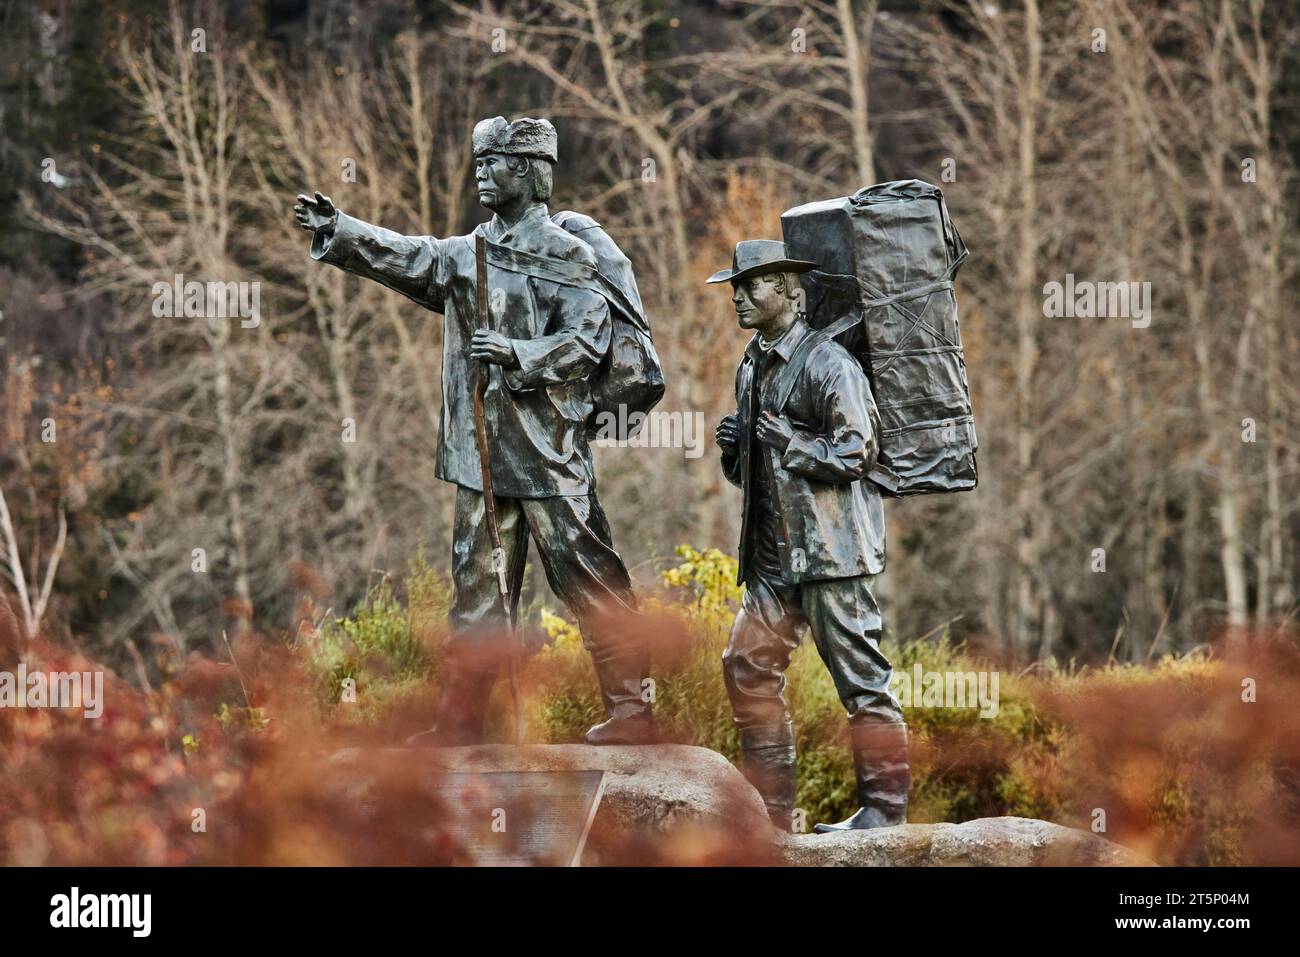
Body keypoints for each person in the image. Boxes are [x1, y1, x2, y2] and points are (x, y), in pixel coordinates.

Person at [294, 116, 652, 745]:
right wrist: (343, 230)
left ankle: (632, 711)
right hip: (481, 457)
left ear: (531, 172)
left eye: (497, 162)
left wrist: (519, 354)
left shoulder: (570, 254)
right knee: (477, 593)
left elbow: (589, 341)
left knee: (589, 579)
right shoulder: (468, 253)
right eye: (479, 162)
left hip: (550, 452)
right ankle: (461, 724)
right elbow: (408, 255)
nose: (482, 172)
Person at [708, 240, 910, 830]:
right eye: (735, 287)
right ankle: (769, 814)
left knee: (863, 685)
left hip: (830, 553)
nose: (739, 297)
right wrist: (736, 450)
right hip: (772, 559)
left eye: (751, 286)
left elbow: (857, 449)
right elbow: (754, 474)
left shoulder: (829, 364)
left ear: (788, 291)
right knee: (746, 667)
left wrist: (788, 441)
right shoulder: (751, 364)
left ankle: (885, 813)